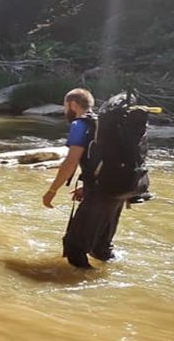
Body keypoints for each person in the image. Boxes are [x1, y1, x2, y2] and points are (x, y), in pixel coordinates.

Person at [42, 87, 123, 269]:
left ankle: (89, 285)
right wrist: (86, 187)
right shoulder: (103, 125)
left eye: (65, 107)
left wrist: (52, 191)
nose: (65, 111)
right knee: (101, 249)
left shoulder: (80, 125)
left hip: (101, 192)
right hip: (119, 190)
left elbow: (71, 162)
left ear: (72, 104)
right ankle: (115, 278)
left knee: (73, 247)